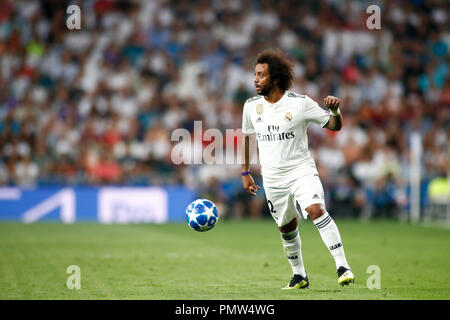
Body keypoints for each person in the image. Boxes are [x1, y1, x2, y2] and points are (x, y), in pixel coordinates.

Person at [241, 49, 354, 289]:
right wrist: (245, 171)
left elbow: (334, 126)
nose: (255, 79)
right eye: (255, 74)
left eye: (261, 75)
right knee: (286, 227)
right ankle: (299, 276)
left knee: (315, 209)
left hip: (300, 171)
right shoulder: (251, 106)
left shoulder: (300, 103)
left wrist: (335, 110)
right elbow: (247, 138)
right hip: (272, 178)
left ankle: (343, 266)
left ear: (275, 78)